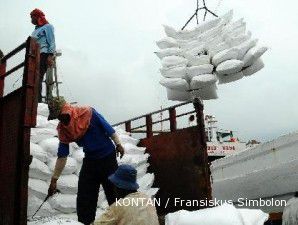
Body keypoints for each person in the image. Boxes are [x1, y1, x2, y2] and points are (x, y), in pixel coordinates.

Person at [47, 96, 125, 225]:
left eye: (61, 115)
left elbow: (108, 129)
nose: (61, 119)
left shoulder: (88, 113)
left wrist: (118, 144)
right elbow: (62, 156)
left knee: (114, 196)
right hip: (90, 161)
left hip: (108, 159)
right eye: (58, 118)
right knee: (85, 198)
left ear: (67, 110)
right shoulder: (63, 130)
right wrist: (54, 179)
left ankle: (121, 222)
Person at [94, 164, 159, 225]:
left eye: (115, 186)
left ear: (119, 187)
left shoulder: (119, 206)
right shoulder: (146, 198)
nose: (114, 189)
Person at [30, 8, 56, 102]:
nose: (31, 19)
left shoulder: (48, 27)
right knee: (32, 79)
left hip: (43, 54)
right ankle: (32, 100)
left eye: (32, 17)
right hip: (33, 56)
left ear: (38, 17)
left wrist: (50, 56)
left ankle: (38, 101)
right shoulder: (35, 31)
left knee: (38, 77)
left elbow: (52, 42)